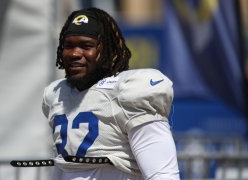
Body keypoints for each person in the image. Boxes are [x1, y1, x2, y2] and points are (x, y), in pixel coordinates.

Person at [42, 7, 180, 180]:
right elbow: (63, 166)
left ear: (107, 51)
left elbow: (162, 175)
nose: (75, 53)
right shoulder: (58, 95)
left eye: (86, 46)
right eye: (69, 46)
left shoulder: (128, 92)